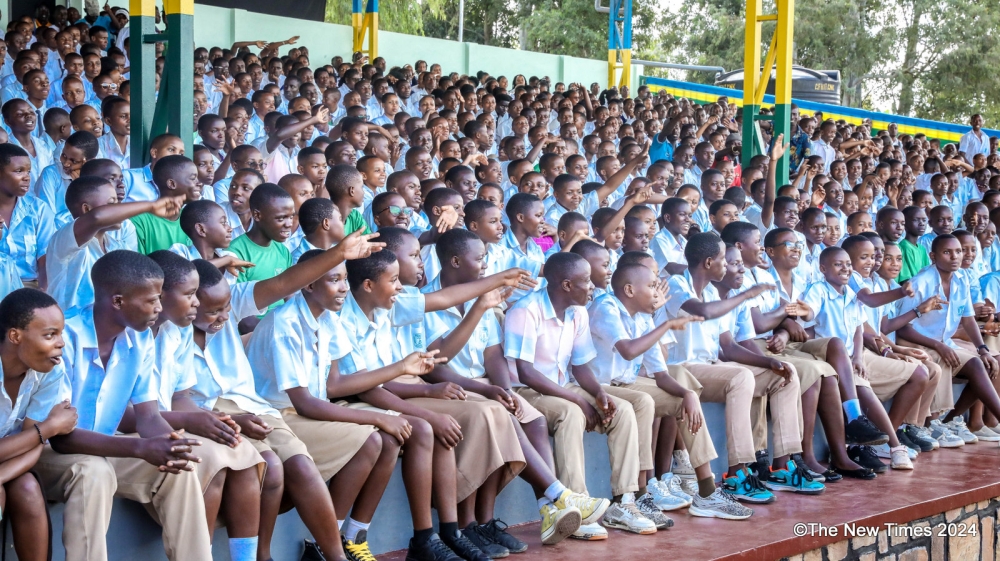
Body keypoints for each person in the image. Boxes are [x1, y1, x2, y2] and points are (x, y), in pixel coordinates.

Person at [186, 229, 384, 561]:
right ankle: (260, 556)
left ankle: (333, 555)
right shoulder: (171, 329)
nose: (223, 316)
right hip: (209, 413)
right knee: (271, 468)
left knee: (301, 466)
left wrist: (338, 253)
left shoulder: (230, 303)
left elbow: (281, 284)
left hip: (254, 407)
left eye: (225, 309)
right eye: (211, 311)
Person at [35, 250, 214, 561]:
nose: (160, 308)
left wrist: (170, 444)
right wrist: (140, 449)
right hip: (49, 453)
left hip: (103, 448)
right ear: (118, 301)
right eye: (152, 300)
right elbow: (62, 438)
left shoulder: (140, 339)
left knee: (178, 470)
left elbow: (148, 416)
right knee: (93, 471)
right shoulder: (67, 339)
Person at [506, 252, 657, 538]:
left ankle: (623, 502)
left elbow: (579, 365)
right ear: (566, 285)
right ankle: (580, 506)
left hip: (563, 385)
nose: (593, 287)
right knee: (570, 412)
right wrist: (576, 398)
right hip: (527, 390)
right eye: (586, 281)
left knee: (622, 409)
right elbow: (525, 373)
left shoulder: (578, 312)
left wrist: (598, 393)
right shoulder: (525, 311)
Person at [0, 288, 80, 561]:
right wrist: (50, 428)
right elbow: (38, 435)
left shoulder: (49, 371)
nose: (61, 343)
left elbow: (33, 446)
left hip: (10, 459)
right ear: (15, 336)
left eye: (60, 333)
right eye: (50, 335)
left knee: (28, 490)